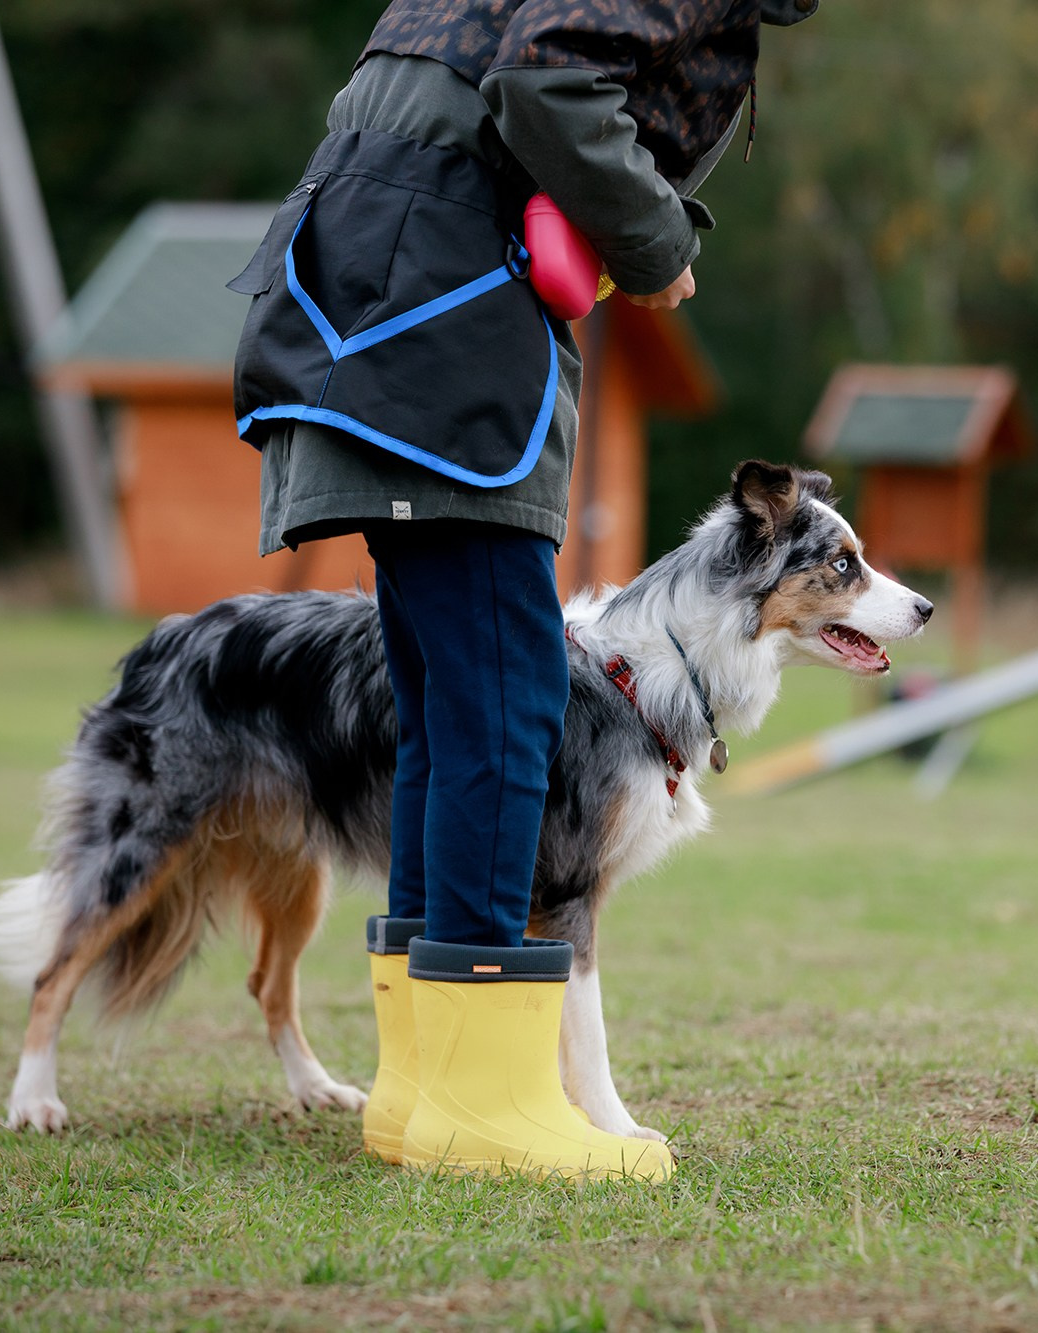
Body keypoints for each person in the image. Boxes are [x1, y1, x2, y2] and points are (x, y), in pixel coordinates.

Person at [228, 0, 819, 1181]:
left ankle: (423, 1087)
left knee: (450, 719)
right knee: (503, 716)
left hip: (373, 316)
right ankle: (485, 1102)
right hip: (443, 344)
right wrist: (655, 240)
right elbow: (546, 86)